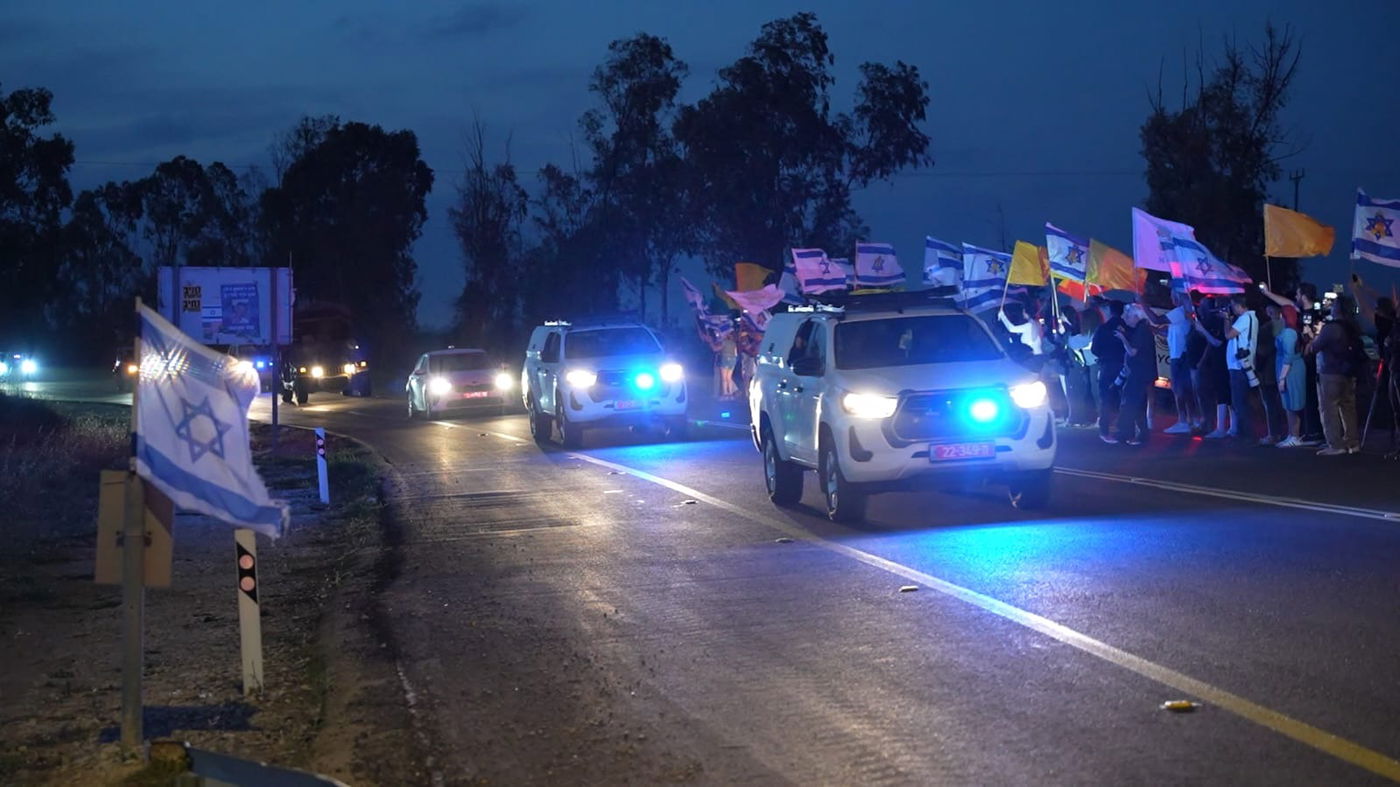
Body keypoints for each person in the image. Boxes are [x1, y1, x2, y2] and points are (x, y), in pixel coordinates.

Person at [1306, 295, 1363, 455]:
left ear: (1337, 308)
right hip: (1349, 372)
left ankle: (1335, 444)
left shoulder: (1331, 328)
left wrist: (1313, 336)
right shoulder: (1353, 327)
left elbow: (1316, 347)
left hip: (1330, 372)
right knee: (1348, 408)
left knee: (1329, 408)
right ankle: (1353, 442)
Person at [1111, 304, 1156, 445]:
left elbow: (1133, 352)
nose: (1126, 318)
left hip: (1139, 372)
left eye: (1128, 315)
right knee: (1137, 404)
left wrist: (1122, 338)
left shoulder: (1142, 330)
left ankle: (1125, 433)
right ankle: (1138, 434)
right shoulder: (1142, 329)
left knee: (1130, 403)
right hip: (1142, 372)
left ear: (1136, 316)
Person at [1222, 294, 1261, 441]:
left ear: (1239, 306)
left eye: (1233, 306)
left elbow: (1228, 335)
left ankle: (1247, 435)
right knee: (1241, 401)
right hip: (1242, 365)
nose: (1232, 309)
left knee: (1240, 402)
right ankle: (1245, 433)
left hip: (1239, 367)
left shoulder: (1245, 318)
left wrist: (1226, 319)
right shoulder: (1250, 318)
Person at [1162, 291, 1200, 434]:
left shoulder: (1178, 312)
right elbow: (1171, 333)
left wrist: (1142, 305)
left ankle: (1183, 421)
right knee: (1185, 389)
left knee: (1179, 389)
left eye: (1173, 296)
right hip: (1179, 354)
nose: (1171, 298)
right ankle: (1192, 419)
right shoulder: (1182, 313)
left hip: (1179, 356)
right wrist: (1154, 331)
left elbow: (1157, 319)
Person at [1194, 297, 1232, 438]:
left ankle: (1221, 428)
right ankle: (1231, 427)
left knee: (1223, 393)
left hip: (1223, 362)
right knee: (1225, 394)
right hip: (1218, 361)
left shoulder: (1219, 321)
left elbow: (1217, 342)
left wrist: (1203, 331)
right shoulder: (1214, 321)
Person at [1270, 303, 1306, 447]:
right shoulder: (1289, 331)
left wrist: (1282, 378)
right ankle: (1292, 434)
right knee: (1289, 402)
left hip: (1291, 370)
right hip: (1288, 368)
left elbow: (1288, 356)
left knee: (1292, 402)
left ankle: (1295, 435)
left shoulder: (1289, 333)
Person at [1091, 300, 1126, 443]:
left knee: (1106, 398)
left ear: (1110, 311)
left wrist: (1103, 355)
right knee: (1124, 397)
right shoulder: (1127, 327)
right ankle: (1123, 427)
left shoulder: (1103, 328)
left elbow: (1094, 349)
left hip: (1107, 366)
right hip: (1124, 365)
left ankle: (1104, 430)